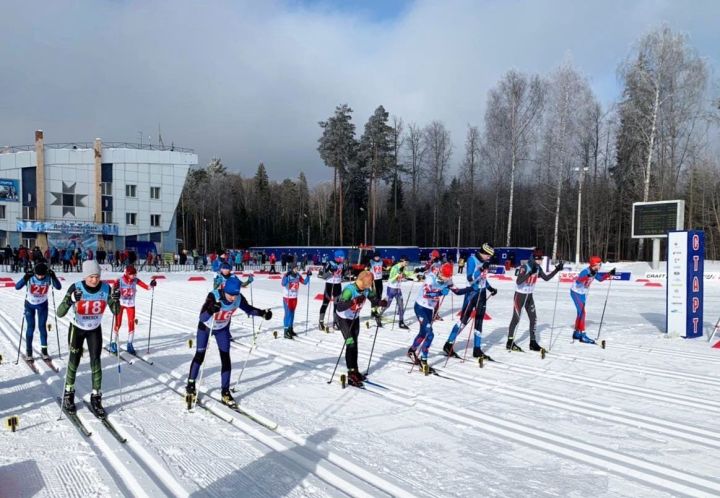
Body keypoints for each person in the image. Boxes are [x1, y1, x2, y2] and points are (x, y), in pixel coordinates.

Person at [185, 276, 272, 408]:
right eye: (230, 294)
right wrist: (211, 309)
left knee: (226, 359)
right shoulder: (213, 296)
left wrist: (262, 313)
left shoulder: (238, 298)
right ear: (225, 289)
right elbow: (202, 317)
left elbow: (248, 309)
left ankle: (225, 391)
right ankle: (191, 384)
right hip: (206, 327)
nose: (233, 298)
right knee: (200, 355)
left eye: (235, 295)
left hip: (222, 329)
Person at [57, 260, 120, 417]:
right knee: (74, 361)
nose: (94, 280)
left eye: (97, 276)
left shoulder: (106, 288)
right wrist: (71, 299)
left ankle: (96, 397)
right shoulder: (76, 287)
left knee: (96, 362)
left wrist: (116, 300)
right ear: (85, 276)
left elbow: (116, 311)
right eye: (91, 277)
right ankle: (68, 394)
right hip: (77, 328)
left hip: (94, 329)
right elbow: (59, 312)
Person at [408, 262, 468, 374]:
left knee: (423, 333)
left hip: (430, 309)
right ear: (440, 272)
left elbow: (457, 291)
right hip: (420, 306)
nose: (446, 280)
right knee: (429, 334)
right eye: (445, 277)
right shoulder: (431, 278)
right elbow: (426, 293)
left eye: (448, 277)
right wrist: (440, 292)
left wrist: (470, 289)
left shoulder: (448, 279)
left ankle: (412, 351)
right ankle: (424, 360)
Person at [443, 243, 497, 360]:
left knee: (479, 321)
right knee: (463, 320)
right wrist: (482, 268)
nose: (490, 258)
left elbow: (483, 278)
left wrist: (490, 288)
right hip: (471, 294)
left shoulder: (484, 262)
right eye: (489, 255)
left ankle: (477, 349)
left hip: (482, 294)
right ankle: (449, 344)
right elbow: (470, 278)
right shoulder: (472, 260)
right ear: (484, 253)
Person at [334, 271, 386, 387]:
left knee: (355, 344)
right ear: (363, 281)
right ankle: (350, 373)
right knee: (350, 343)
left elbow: (373, 299)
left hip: (355, 317)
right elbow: (340, 306)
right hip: (344, 318)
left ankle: (355, 370)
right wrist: (352, 301)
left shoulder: (365, 289)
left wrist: (380, 302)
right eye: (369, 282)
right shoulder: (350, 290)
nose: (371, 284)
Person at [506, 248, 563, 352]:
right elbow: (518, 281)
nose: (540, 261)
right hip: (520, 296)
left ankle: (532, 342)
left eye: (541, 259)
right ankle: (509, 342)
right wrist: (529, 273)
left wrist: (557, 270)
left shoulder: (538, 268)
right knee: (516, 318)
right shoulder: (525, 267)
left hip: (529, 296)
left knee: (534, 318)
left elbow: (546, 278)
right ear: (534, 258)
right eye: (538, 259)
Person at [15, 262, 62, 360]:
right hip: (29, 305)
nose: (40, 277)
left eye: (42, 275)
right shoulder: (31, 276)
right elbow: (17, 287)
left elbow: (58, 287)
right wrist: (25, 277)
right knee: (31, 327)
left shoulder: (48, 277)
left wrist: (54, 277)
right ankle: (29, 352)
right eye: (38, 275)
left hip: (43, 305)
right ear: (35, 273)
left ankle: (44, 351)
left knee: (42, 327)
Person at [110, 265, 156, 355]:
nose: (134, 276)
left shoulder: (136, 280)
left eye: (135, 274)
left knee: (131, 323)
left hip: (130, 305)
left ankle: (130, 344)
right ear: (127, 273)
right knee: (118, 323)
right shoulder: (119, 280)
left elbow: (147, 287)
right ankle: (113, 342)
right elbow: (112, 290)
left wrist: (152, 284)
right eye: (132, 274)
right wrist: (114, 292)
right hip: (120, 304)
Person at [570, 256, 616, 344]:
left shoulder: (595, 271)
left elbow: (600, 278)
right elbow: (579, 281)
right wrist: (587, 276)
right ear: (594, 265)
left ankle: (577, 333)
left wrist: (609, 273)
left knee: (580, 313)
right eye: (599, 264)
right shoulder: (585, 271)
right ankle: (582, 335)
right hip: (576, 292)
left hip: (582, 293)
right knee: (582, 313)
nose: (600, 266)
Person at [382, 256, 417, 329]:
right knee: (387, 305)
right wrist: (397, 274)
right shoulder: (394, 268)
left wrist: (415, 275)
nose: (407, 263)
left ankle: (401, 322)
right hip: (391, 289)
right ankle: (378, 316)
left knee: (401, 305)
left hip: (398, 289)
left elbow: (407, 273)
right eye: (406, 262)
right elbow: (390, 280)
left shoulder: (403, 267)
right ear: (402, 261)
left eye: (408, 262)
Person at [319, 249, 345, 332]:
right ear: (337, 257)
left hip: (337, 285)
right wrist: (330, 271)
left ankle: (335, 322)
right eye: (342, 257)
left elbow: (342, 274)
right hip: (330, 285)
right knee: (325, 303)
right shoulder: (329, 263)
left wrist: (346, 273)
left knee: (337, 305)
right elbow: (323, 276)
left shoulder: (342, 264)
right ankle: (321, 322)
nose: (343, 258)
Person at [281, 265, 311, 339]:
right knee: (287, 314)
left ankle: (290, 329)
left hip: (294, 297)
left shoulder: (298, 275)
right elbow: (283, 283)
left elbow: (304, 282)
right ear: (291, 269)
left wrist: (308, 276)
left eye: (297, 268)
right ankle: (285, 331)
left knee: (292, 314)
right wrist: (286, 277)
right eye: (294, 268)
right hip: (287, 297)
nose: (296, 270)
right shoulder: (287, 275)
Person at [368, 253, 385, 327]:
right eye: (376, 256)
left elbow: (384, 267)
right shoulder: (371, 261)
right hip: (373, 281)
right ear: (374, 257)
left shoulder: (381, 261)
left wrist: (387, 267)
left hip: (380, 280)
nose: (377, 258)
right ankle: (375, 313)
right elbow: (366, 265)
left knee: (380, 295)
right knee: (375, 297)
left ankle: (374, 311)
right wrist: (366, 267)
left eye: (378, 256)